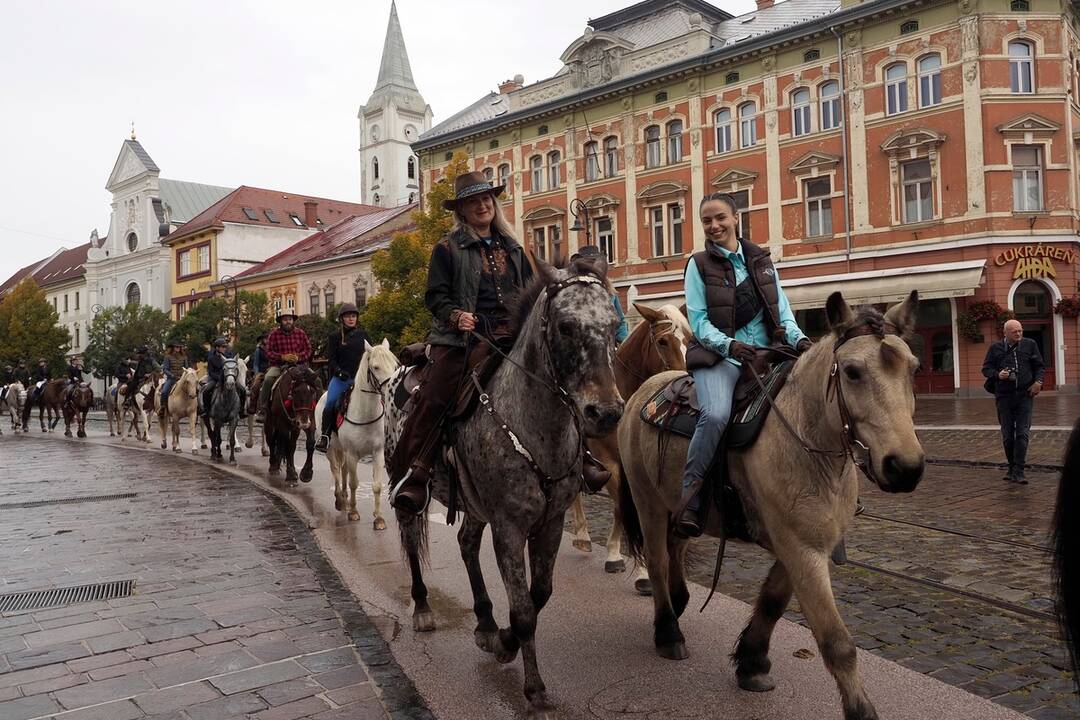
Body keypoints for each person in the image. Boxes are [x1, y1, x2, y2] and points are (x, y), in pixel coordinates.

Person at [387, 170, 535, 515]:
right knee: (437, 394)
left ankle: (582, 456)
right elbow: (435, 296)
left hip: (511, 332)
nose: (483, 206)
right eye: (474, 202)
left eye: (486, 199)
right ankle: (415, 471)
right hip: (461, 338)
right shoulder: (447, 249)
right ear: (462, 211)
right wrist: (456, 316)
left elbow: (529, 291)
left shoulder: (513, 248)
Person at [675, 192, 812, 538]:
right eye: (706, 220)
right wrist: (730, 344)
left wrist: (800, 342)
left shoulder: (761, 260)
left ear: (736, 218)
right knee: (716, 415)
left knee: (819, 398)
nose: (714, 225)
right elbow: (700, 322)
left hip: (767, 354)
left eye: (720, 217)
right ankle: (692, 491)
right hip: (720, 356)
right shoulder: (698, 265)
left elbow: (782, 312)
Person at [981, 318, 1045, 485]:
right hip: (1004, 397)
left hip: (1025, 396)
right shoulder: (995, 348)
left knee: (1022, 434)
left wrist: (1038, 382)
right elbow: (986, 369)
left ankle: (1019, 471)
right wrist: (997, 375)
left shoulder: (1030, 344)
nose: (1019, 333)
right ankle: (1011, 467)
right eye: (1015, 331)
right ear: (1005, 333)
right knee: (1008, 436)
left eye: (1020, 330)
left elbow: (1039, 366)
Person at [316, 303, 372, 453]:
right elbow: (331, 360)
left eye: (353, 316)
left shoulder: (363, 335)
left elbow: (371, 356)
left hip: (361, 380)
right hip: (341, 379)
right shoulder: (334, 337)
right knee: (330, 404)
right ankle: (325, 436)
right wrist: (339, 371)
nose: (351, 319)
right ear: (342, 319)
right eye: (348, 316)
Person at [256, 313, 313, 421]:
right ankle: (262, 408)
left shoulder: (300, 333)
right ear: (281, 321)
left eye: (290, 319)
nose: (288, 321)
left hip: (299, 366)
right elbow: (268, 352)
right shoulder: (274, 334)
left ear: (293, 321)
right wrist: (282, 357)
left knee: (317, 380)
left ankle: (317, 407)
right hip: (279, 366)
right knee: (268, 379)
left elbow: (308, 350)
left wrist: (298, 357)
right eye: (285, 319)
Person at [571, 245, 629, 344]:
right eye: (588, 264)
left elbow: (621, 320)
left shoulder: (610, 292)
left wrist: (623, 341)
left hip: (608, 345)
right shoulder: (573, 291)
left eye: (594, 263)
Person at [203, 337, 246, 417]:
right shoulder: (211, 358)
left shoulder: (229, 357)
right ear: (217, 348)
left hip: (229, 378)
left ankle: (241, 410)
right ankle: (206, 410)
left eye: (225, 347)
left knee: (243, 390)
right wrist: (219, 378)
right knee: (206, 390)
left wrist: (232, 376)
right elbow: (211, 372)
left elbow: (234, 368)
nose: (225, 348)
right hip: (215, 379)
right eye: (223, 347)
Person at [160, 341, 188, 407]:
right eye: (176, 347)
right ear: (173, 348)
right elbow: (165, 369)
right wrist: (171, 375)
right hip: (171, 378)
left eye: (179, 347)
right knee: (164, 391)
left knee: (194, 389)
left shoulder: (184, 357)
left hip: (182, 378)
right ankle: (163, 407)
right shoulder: (168, 357)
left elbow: (186, 368)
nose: (178, 348)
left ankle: (197, 408)